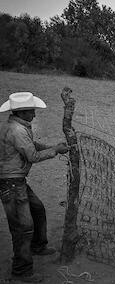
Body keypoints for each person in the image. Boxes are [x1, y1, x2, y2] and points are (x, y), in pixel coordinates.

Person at [0, 92, 70, 283]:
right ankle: (21, 271)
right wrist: (55, 150)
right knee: (22, 227)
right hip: (12, 182)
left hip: (14, 180)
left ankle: (37, 246)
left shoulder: (16, 126)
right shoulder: (18, 131)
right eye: (32, 111)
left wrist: (51, 146)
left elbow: (31, 146)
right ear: (22, 112)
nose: (34, 114)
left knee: (37, 210)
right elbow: (33, 156)